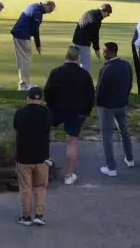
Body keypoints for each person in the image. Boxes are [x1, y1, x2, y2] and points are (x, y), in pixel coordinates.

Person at [44, 46, 95, 185]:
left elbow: (48, 92)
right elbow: (91, 96)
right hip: (77, 112)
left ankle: (45, 157)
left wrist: (51, 106)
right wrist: (86, 112)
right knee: (72, 142)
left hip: (57, 109)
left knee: (45, 131)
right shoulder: (85, 75)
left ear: (65, 56)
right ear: (78, 58)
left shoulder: (56, 72)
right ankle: (68, 175)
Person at [95, 42, 135, 176]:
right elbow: (129, 84)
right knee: (124, 131)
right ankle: (130, 158)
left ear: (112, 52)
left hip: (107, 106)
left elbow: (99, 90)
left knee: (107, 136)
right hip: (121, 104)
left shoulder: (106, 69)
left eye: (105, 51)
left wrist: (97, 103)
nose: (103, 53)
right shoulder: (126, 65)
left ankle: (111, 167)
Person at [14, 86, 52, 226]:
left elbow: (16, 126)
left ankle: (26, 216)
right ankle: (39, 215)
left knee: (26, 188)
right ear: (41, 99)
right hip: (42, 157)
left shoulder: (21, 112)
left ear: (28, 98)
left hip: (24, 157)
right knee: (40, 187)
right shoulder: (46, 113)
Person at [11, 0, 54, 88]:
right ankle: (24, 84)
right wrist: (38, 44)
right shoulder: (38, 12)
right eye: (50, 9)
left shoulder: (35, 6)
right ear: (46, 5)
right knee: (25, 59)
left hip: (19, 33)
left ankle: (25, 83)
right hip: (22, 35)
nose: (49, 12)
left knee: (23, 59)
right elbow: (35, 30)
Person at [72, 4, 111, 72]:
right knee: (85, 66)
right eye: (108, 14)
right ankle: (83, 81)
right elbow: (95, 35)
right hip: (83, 43)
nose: (107, 16)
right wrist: (96, 49)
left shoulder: (91, 12)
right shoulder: (96, 19)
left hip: (76, 40)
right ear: (104, 11)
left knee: (74, 62)